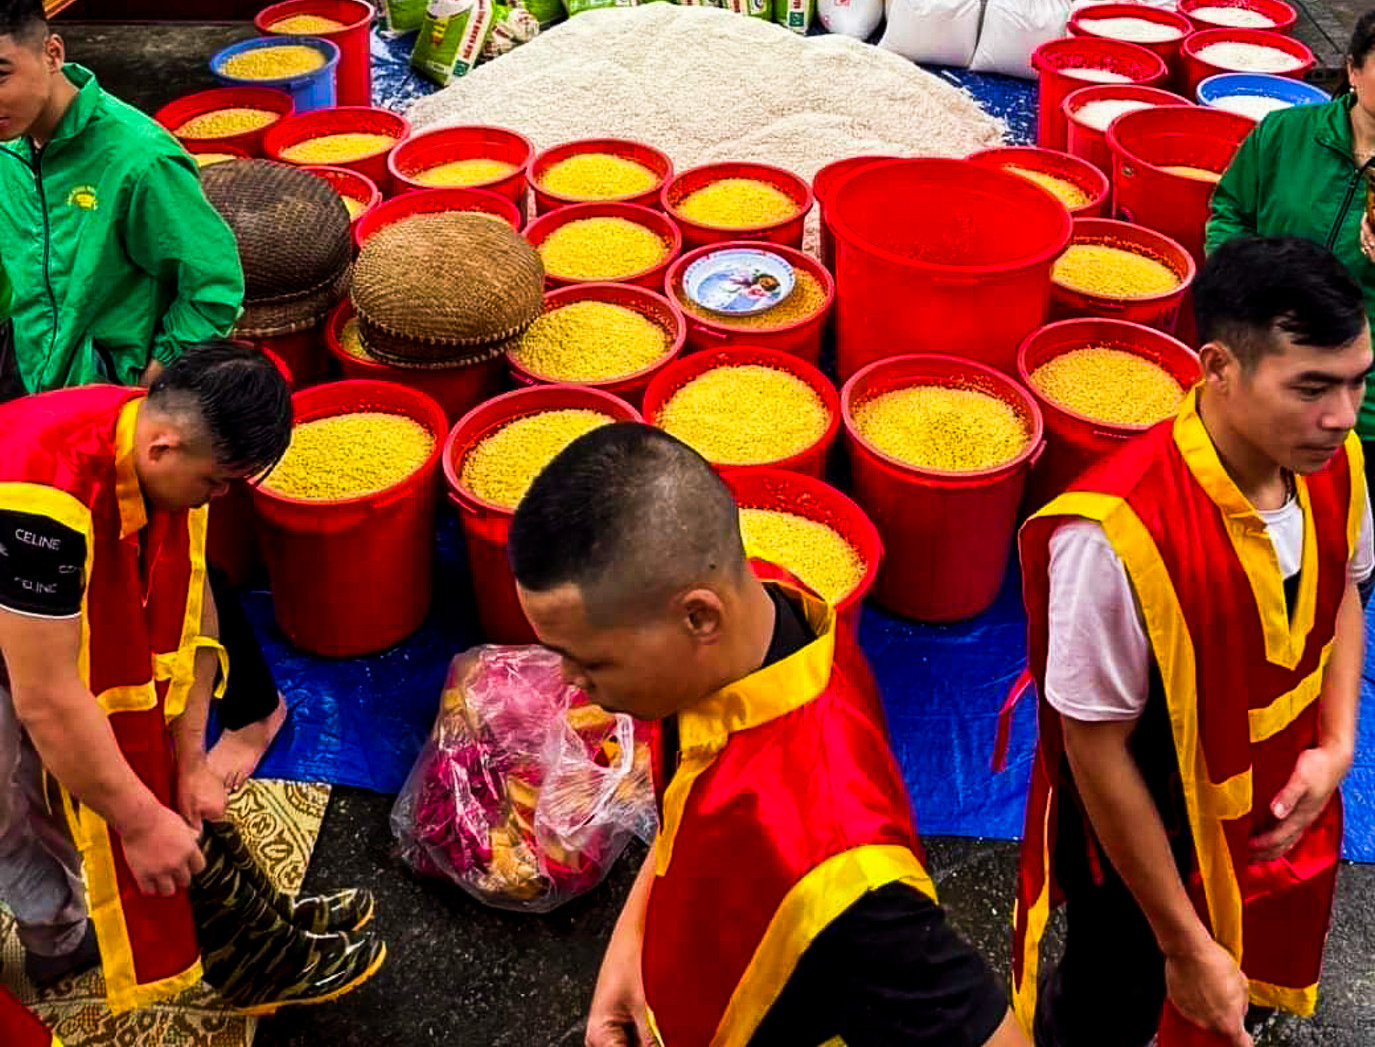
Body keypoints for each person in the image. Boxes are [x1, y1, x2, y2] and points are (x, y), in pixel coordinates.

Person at [509, 423, 1027, 1047]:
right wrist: (630, 951)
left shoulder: (846, 882)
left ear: (700, 616)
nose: (570, 684)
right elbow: (688, 806)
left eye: (590, 662)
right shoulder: (755, 617)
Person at [1012, 236, 1371, 1047]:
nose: (1340, 417)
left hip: (1280, 790)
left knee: (1253, 957)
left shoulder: (1333, 462)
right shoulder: (1115, 534)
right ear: (1216, 367)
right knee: (1118, 993)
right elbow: (1093, 748)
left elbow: (1342, 588)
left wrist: (1338, 746)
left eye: (1355, 383)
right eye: (1310, 387)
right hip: (1155, 829)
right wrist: (1180, 942)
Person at [0, 341, 386, 1015]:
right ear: (165, 449)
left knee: (79, 779)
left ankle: (253, 933)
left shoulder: (153, 436)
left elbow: (189, 611)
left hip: (24, 616)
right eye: (218, 483)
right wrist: (140, 822)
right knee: (8, 800)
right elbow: (49, 699)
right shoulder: (43, 507)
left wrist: (191, 763)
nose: (221, 497)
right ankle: (58, 935)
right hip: (15, 610)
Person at [0, 0, 286, 790]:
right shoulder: (11, 148)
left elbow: (211, 283)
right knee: (91, 558)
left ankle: (257, 708)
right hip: (44, 382)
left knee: (179, 558)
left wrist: (158, 379)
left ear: (51, 53)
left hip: (124, 402)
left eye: (0, 73)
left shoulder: (137, 158)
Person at [1206, 8, 1375, 502]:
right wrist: (1241, 295)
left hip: (1353, 399)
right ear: (1352, 70)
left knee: (1332, 526)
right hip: (1259, 362)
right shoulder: (1285, 133)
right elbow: (1231, 209)